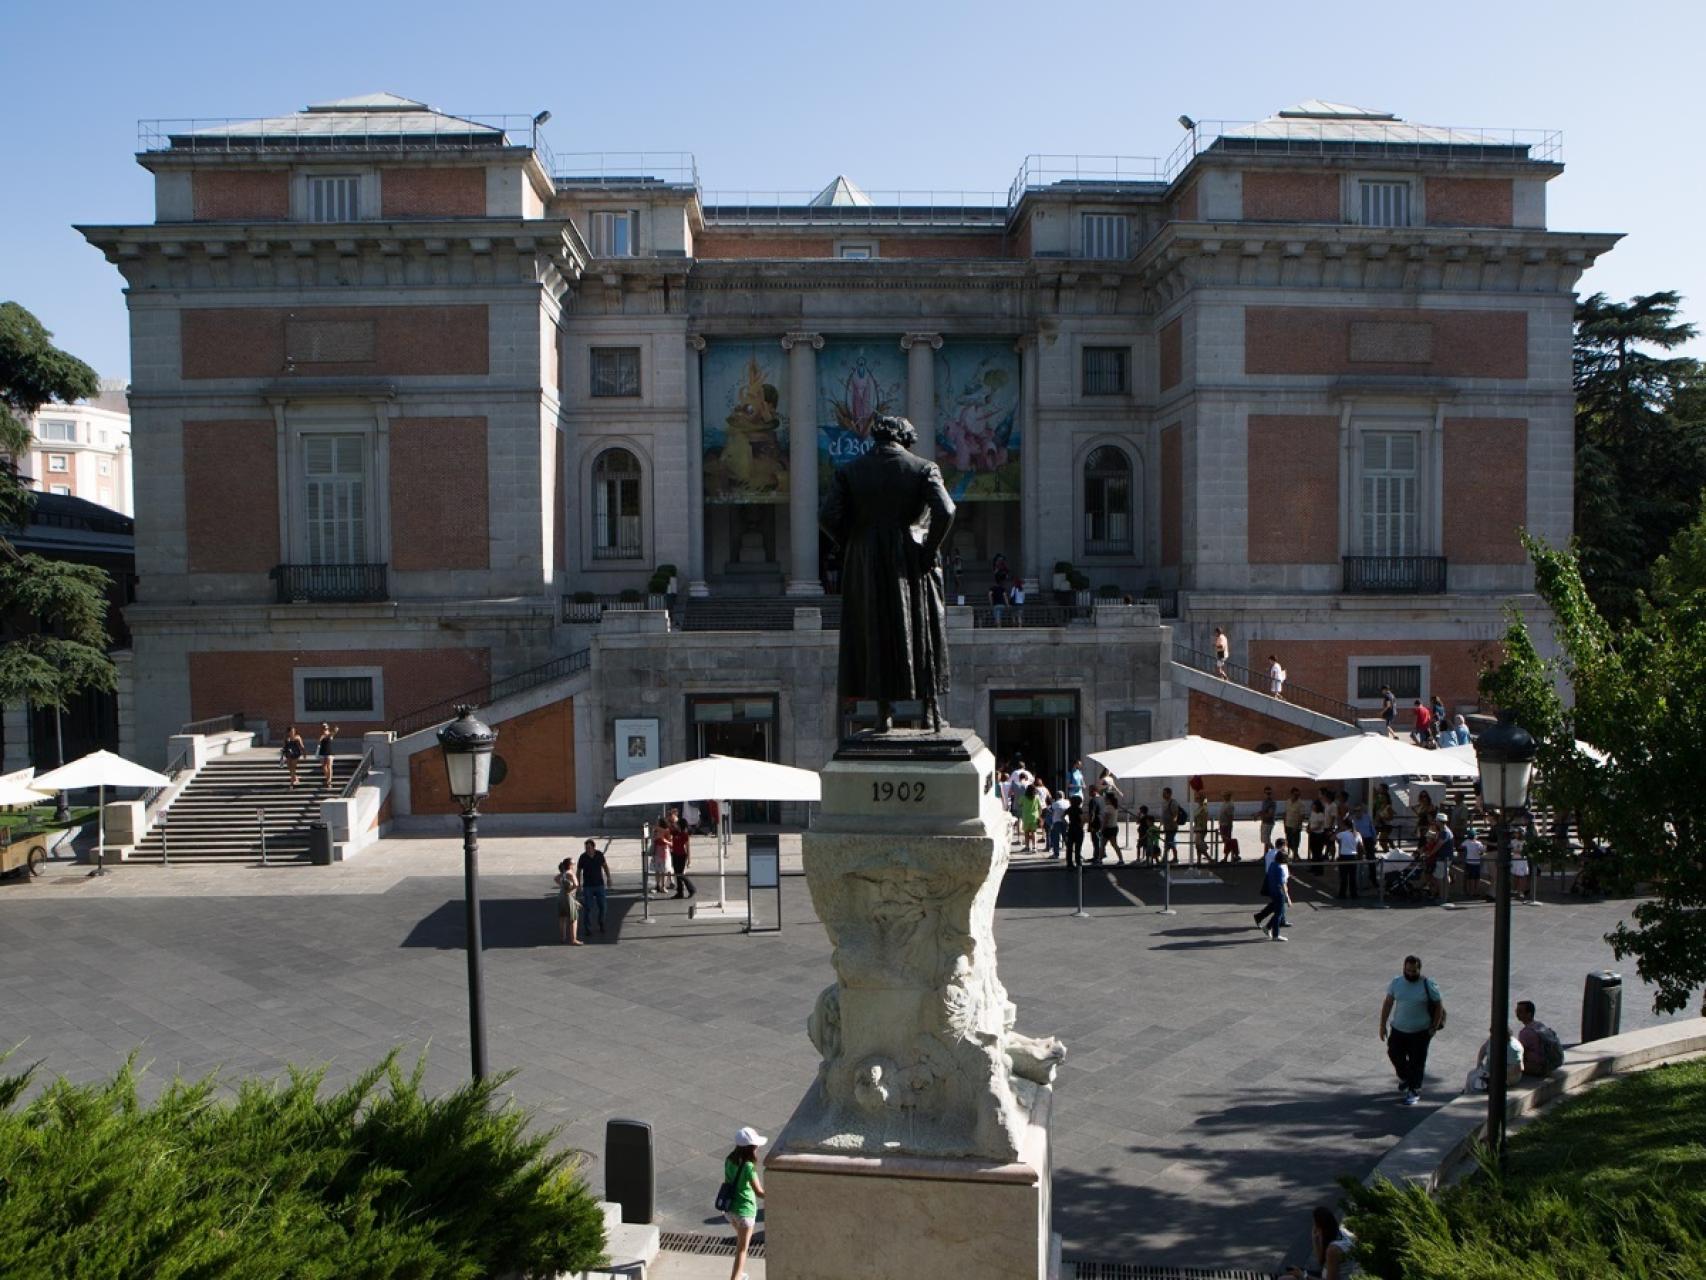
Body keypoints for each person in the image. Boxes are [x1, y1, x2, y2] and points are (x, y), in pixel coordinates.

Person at [819, 413, 955, 732]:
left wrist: (853, 543)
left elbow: (827, 516)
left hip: (865, 560)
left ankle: (883, 714)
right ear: (905, 439)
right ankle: (932, 712)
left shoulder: (849, 471)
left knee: (873, 630)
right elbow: (946, 510)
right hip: (910, 558)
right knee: (924, 631)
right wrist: (927, 548)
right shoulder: (922, 468)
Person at [1380, 954, 1445, 1105]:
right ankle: (1407, 1077)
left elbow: (1438, 1005)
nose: (1410, 974)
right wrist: (1382, 1024)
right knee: (1394, 1053)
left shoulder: (1428, 984)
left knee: (1417, 1061)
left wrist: (1433, 1027)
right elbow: (1388, 1003)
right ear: (1403, 968)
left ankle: (1414, 1089)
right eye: (1407, 971)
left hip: (1420, 1032)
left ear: (1419, 970)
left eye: (1413, 971)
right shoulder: (1396, 983)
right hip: (1398, 1029)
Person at [721, 1126, 767, 1280]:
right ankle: (736, 1278)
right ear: (751, 1148)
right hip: (745, 1211)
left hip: (729, 1210)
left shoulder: (729, 1160)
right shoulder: (748, 1167)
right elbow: (759, 1192)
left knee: (741, 1241)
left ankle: (740, 1275)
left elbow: (727, 1181)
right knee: (742, 1249)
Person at [1281, 1205, 1357, 1279]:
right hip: (1323, 1274)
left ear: (1320, 1227)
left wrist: (1303, 1275)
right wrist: (1315, 1239)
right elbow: (1321, 1262)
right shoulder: (1339, 1233)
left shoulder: (1333, 1249)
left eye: (1315, 1224)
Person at [1516, 1000, 1564, 1077]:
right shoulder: (1540, 1025)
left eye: (1520, 1011)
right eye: (1517, 1011)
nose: (1517, 1014)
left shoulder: (1525, 1032)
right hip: (1551, 1065)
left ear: (1529, 1014)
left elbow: (1521, 1053)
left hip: (1539, 1067)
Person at [577, 838, 610, 936]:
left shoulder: (599, 855)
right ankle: (588, 928)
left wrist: (608, 877)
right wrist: (578, 884)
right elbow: (579, 871)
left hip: (599, 885)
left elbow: (605, 866)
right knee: (588, 908)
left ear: (593, 847)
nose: (587, 849)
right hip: (588, 886)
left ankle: (601, 922)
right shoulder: (583, 857)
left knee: (603, 906)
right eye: (586, 848)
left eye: (589, 848)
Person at [1255, 837, 1288, 930]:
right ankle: (1267, 921)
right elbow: (1281, 867)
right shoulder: (1279, 855)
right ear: (1282, 846)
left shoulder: (1269, 853)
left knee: (1276, 903)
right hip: (1276, 880)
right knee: (1278, 903)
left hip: (1270, 878)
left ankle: (1280, 919)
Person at [669, 816, 698, 917]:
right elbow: (667, 828)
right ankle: (680, 892)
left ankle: (692, 889)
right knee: (677, 874)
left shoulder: (684, 834)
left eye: (677, 823)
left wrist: (689, 860)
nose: (675, 825)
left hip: (682, 856)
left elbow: (688, 847)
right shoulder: (676, 832)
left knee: (680, 874)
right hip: (675, 855)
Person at [1261, 848, 1292, 941]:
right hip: (1279, 893)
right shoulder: (1279, 869)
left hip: (1273, 891)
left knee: (1279, 912)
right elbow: (1283, 884)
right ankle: (1275, 934)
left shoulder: (1272, 865)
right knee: (1278, 914)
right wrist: (1288, 897)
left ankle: (1268, 927)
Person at [1334, 817, 1364, 900]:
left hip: (1344, 856)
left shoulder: (1343, 834)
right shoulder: (1357, 834)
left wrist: (1339, 831)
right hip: (1353, 856)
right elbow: (1361, 846)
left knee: (1343, 877)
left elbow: (1333, 838)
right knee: (1352, 877)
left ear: (1345, 825)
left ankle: (1342, 894)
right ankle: (1353, 894)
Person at [555, 857, 582, 945]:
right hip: (568, 897)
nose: (574, 865)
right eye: (573, 864)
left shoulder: (563, 873)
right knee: (573, 919)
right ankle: (574, 939)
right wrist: (570, 891)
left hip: (561, 896)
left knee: (562, 918)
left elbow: (555, 878)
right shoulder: (570, 873)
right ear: (570, 865)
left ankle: (562, 938)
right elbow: (576, 885)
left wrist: (562, 886)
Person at [650, 816, 674, 896]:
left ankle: (663, 886)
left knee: (663, 870)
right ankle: (657, 885)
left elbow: (671, 843)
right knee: (657, 870)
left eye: (658, 822)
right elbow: (653, 840)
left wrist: (665, 841)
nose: (657, 824)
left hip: (664, 851)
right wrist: (654, 835)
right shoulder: (656, 830)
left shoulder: (667, 831)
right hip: (657, 851)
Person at [1306, 798, 1330, 873]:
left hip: (1319, 835)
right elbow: (1310, 822)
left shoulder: (1320, 815)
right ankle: (1313, 867)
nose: (1313, 806)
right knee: (1313, 851)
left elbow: (1319, 826)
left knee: (1318, 852)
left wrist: (1311, 830)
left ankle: (1319, 869)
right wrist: (1308, 827)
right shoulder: (1312, 813)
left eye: (1314, 805)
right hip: (1313, 834)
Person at [1160, 786, 1183, 862]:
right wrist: (1161, 824)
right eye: (1163, 793)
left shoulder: (1173, 803)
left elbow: (1175, 814)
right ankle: (1174, 858)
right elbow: (1163, 814)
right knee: (1170, 842)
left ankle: (1165, 858)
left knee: (1169, 842)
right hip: (1167, 827)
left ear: (1169, 794)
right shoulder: (1164, 803)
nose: (1163, 795)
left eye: (1165, 793)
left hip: (1172, 827)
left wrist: (1173, 823)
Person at [1018, 782, 1042, 853]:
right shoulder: (1036, 797)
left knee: (1026, 832)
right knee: (1034, 832)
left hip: (1026, 816)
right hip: (1034, 816)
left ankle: (1027, 847)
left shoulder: (1023, 797)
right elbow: (1040, 808)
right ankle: (1034, 847)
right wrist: (1039, 815)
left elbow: (1019, 804)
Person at [1283, 787, 1306, 864]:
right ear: (1291, 794)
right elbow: (1286, 813)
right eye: (1295, 794)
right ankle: (1296, 855)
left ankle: (1295, 856)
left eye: (1298, 794)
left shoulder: (1301, 804)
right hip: (1288, 825)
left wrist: (1297, 826)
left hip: (1296, 826)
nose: (1297, 796)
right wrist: (1284, 824)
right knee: (1289, 842)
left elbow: (1302, 816)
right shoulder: (1288, 801)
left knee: (1295, 842)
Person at [1064, 793, 1085, 870]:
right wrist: (1082, 825)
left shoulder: (1069, 809)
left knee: (1069, 847)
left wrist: (1067, 823)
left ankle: (1069, 863)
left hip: (1071, 828)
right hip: (1078, 829)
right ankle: (1078, 862)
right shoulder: (1079, 809)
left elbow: (1062, 816)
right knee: (1078, 847)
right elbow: (1082, 819)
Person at [1046, 789, 1068, 858]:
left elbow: (1050, 810)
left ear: (1057, 796)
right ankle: (1071, 851)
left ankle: (1056, 854)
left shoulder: (1055, 803)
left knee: (1056, 838)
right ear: (1063, 796)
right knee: (1066, 837)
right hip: (1066, 821)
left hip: (1057, 821)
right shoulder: (1067, 802)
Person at [316, 723, 339, 788]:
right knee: (324, 766)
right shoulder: (321, 734)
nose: (324, 728)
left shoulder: (330, 734)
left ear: (328, 727)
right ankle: (327, 779)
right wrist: (321, 737)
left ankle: (329, 781)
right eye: (323, 727)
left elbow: (332, 734)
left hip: (329, 752)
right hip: (322, 752)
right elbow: (318, 742)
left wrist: (335, 731)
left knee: (329, 766)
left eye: (325, 727)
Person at [1191, 791, 1210, 864]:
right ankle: (1199, 860)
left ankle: (1209, 858)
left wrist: (1203, 828)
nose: (1197, 799)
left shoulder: (1204, 808)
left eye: (1199, 798)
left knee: (1199, 844)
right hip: (1197, 828)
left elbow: (1205, 819)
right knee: (1197, 845)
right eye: (1197, 798)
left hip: (1201, 828)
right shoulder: (1198, 808)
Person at [1218, 791, 1238, 861]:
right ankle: (1235, 854)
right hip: (1222, 824)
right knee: (1226, 841)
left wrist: (1229, 826)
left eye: (1225, 795)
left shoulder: (1230, 805)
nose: (1223, 797)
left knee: (1227, 841)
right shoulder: (1224, 803)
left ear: (1229, 796)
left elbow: (1230, 816)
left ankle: (1230, 855)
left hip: (1226, 825)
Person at [1257, 786, 1277, 852]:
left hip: (1269, 823)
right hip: (1264, 822)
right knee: (1265, 840)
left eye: (1269, 793)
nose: (1268, 795)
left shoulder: (1272, 802)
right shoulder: (1264, 802)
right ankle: (1266, 854)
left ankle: (1276, 852)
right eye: (1267, 793)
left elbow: (1270, 814)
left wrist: (1261, 815)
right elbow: (1263, 811)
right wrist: (1257, 814)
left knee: (1266, 840)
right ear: (1264, 793)